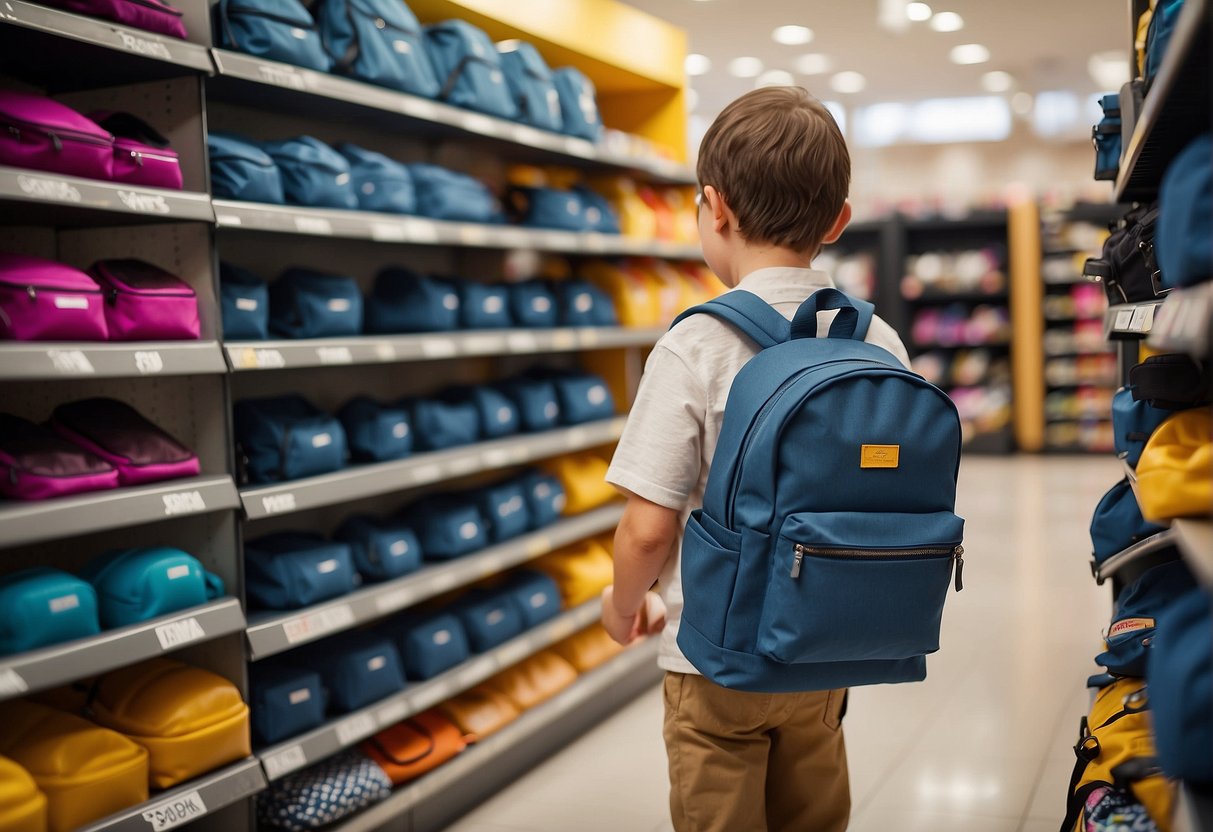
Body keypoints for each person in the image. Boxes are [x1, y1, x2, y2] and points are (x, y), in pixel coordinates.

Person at [600, 86, 912, 832]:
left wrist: (620, 606)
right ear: (839, 220)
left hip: (712, 659)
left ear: (716, 208)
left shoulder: (693, 344)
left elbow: (648, 529)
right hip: (826, 651)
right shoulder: (878, 343)